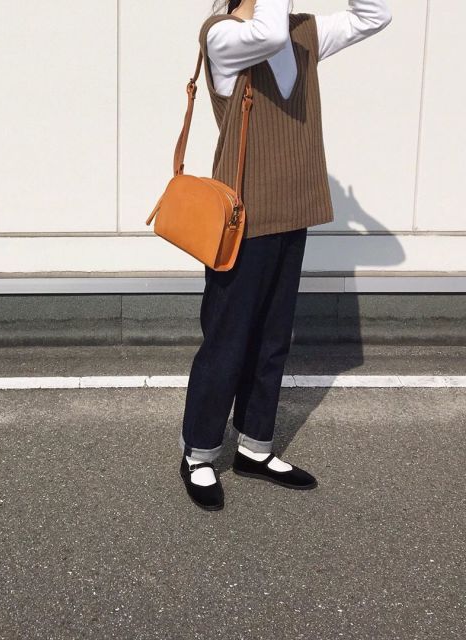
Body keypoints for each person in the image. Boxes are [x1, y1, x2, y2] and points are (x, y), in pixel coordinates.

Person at [179, 0, 392, 510]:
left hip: (294, 211)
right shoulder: (223, 35)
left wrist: (362, 215)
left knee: (273, 339)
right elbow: (269, 34)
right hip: (242, 219)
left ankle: (255, 446)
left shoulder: (304, 31)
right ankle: (199, 453)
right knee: (227, 340)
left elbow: (375, 15)